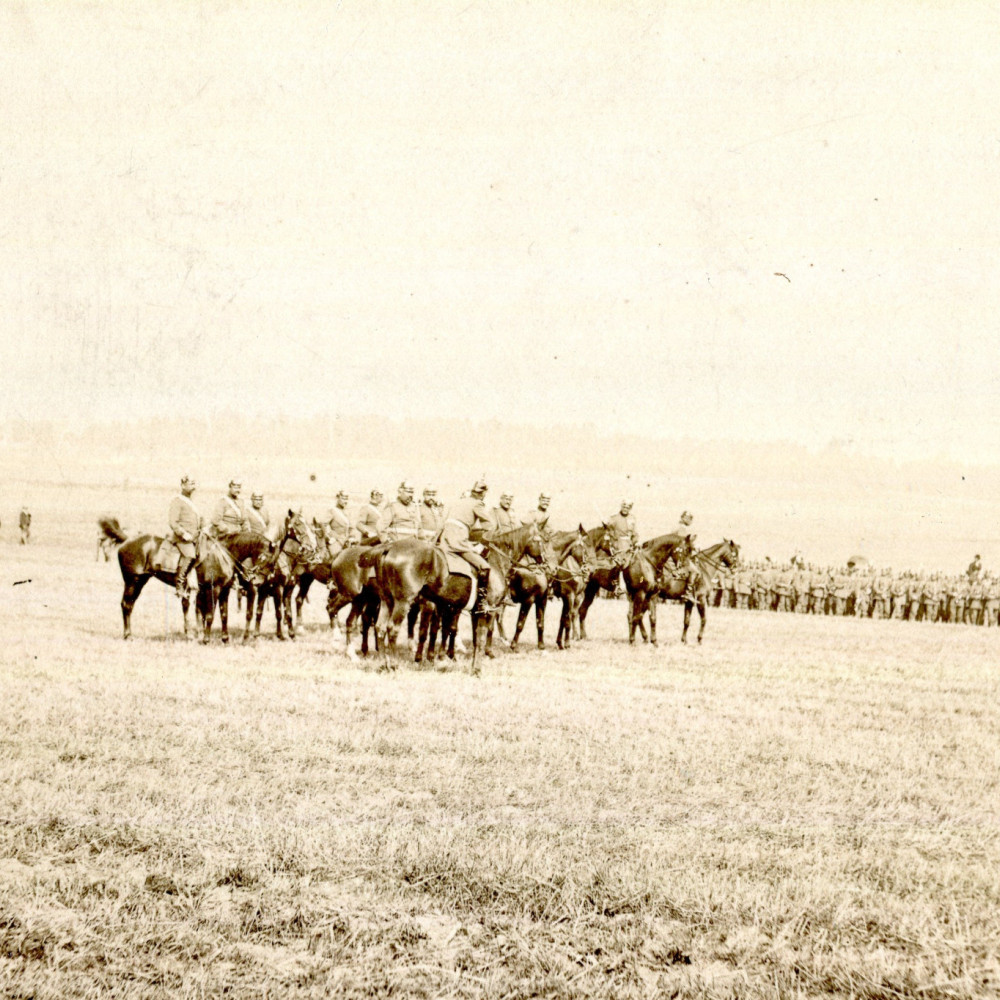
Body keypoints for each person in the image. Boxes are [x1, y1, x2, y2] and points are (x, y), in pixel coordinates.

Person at [442, 480, 493, 612]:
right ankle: (481, 602)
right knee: (485, 566)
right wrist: (481, 544)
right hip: (458, 541)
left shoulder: (458, 502)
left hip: (445, 539)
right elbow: (490, 526)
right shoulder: (478, 504)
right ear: (482, 494)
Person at [168, 476, 201, 599]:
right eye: (190, 483)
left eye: (194, 483)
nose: (193, 486)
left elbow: (197, 520)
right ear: (183, 485)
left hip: (195, 537)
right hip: (182, 538)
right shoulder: (177, 501)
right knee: (190, 555)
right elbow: (173, 522)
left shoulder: (191, 501)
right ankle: (179, 584)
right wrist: (183, 533)